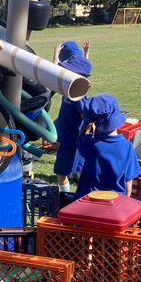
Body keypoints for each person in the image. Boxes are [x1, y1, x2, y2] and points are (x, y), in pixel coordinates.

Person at [75, 94, 141, 198]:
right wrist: (126, 199)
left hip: (88, 198)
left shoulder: (90, 143)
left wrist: (85, 126)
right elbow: (128, 180)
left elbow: (79, 141)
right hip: (115, 200)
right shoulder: (127, 146)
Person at [52, 41, 92, 192]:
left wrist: (55, 54)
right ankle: (81, 189)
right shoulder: (73, 89)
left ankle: (64, 196)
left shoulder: (76, 95)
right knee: (78, 167)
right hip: (72, 137)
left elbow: (53, 71)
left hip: (70, 139)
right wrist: (86, 53)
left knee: (61, 172)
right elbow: (83, 66)